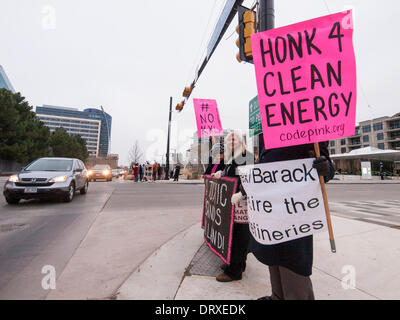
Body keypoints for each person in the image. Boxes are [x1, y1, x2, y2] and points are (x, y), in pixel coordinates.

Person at [253, 142, 335, 300]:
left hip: (295, 212)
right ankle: (277, 295)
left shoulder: (308, 129)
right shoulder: (267, 133)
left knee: (292, 265)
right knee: (273, 258)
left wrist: (325, 168)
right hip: (271, 210)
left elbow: (327, 167)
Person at [213, 132, 252, 283]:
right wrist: (221, 173)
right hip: (233, 201)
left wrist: (242, 193)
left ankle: (235, 271)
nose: (232, 141)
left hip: (242, 202)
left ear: (240, 142)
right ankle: (235, 263)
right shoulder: (232, 158)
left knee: (240, 236)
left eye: (235, 139)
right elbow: (233, 172)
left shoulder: (246, 155)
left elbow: (249, 177)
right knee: (233, 234)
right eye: (230, 140)